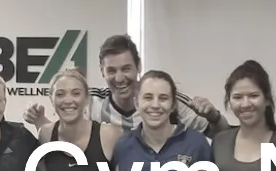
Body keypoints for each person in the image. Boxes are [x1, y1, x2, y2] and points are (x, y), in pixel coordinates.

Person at [24, 34, 228, 137]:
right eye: (111, 70)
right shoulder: (91, 101)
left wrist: (214, 117)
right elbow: (64, 139)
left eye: (126, 69)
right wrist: (41, 121)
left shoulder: (168, 100)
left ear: (138, 66)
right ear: (102, 71)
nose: (119, 78)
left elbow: (222, 136)